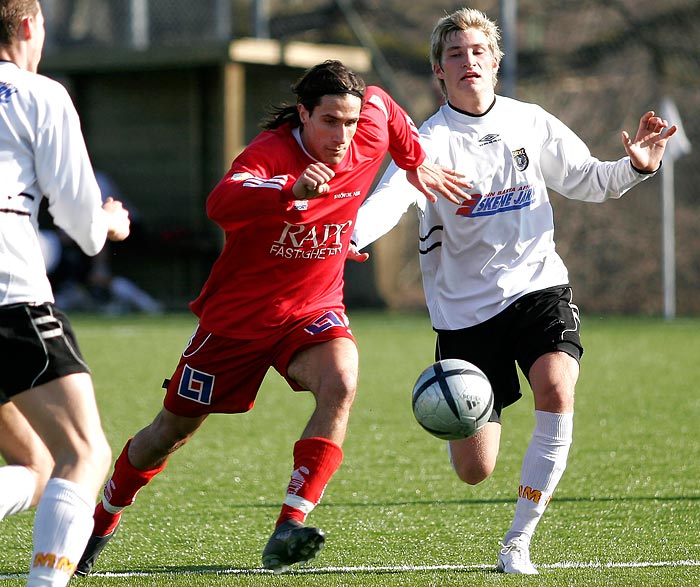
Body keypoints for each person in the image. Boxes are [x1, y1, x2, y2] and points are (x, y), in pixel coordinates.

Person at [76, 59, 469, 575]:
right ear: (303, 114)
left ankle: (290, 522)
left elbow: (385, 106)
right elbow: (221, 201)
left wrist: (415, 159)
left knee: (342, 381)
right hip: (236, 323)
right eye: (330, 121)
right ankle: (102, 518)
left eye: (350, 123)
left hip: (313, 309)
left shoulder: (365, 123)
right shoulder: (270, 154)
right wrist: (291, 189)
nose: (344, 135)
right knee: (167, 433)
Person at [350, 7, 676, 575]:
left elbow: (591, 180)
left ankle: (518, 543)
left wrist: (636, 168)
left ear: (496, 63)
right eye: (455, 54)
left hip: (538, 288)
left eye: (478, 51)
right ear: (438, 72)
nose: (468, 61)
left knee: (557, 385)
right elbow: (388, 200)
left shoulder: (530, 122)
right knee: (475, 468)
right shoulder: (428, 144)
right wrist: (347, 236)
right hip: (465, 315)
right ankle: (464, 416)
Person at [0, 1, 131, 586]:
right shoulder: (39, 94)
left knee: (35, 464)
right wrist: (110, 221)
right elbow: (81, 226)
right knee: (84, 454)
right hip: (9, 297)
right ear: (30, 26)